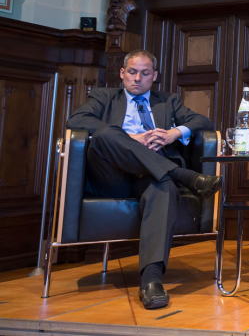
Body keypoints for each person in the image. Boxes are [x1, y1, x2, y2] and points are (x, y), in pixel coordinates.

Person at [67, 50, 219, 310]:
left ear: (154, 76)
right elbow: (76, 119)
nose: (137, 78)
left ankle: (151, 281)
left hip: (149, 175)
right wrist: (131, 139)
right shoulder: (104, 96)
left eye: (145, 73)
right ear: (122, 73)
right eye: (132, 72)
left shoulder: (168, 101)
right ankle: (183, 175)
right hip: (111, 176)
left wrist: (173, 133)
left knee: (164, 188)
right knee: (106, 133)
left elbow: (201, 120)